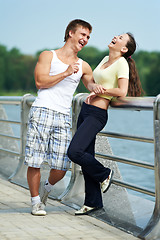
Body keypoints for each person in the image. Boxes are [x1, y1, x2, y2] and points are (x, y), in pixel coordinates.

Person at [24, 19, 102, 216]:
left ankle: (47, 189)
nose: (85, 39)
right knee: (35, 160)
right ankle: (35, 203)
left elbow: (90, 85)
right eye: (83, 35)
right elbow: (40, 82)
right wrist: (66, 73)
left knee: (62, 166)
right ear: (70, 33)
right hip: (42, 110)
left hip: (63, 116)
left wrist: (99, 89)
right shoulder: (48, 55)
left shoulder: (83, 65)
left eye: (88, 37)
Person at [67, 32, 143, 215]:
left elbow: (122, 91)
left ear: (124, 49)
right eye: (116, 35)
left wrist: (102, 91)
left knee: (74, 152)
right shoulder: (103, 59)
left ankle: (104, 174)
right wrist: (93, 88)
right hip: (85, 111)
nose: (115, 37)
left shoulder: (121, 63)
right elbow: (94, 82)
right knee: (86, 155)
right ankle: (92, 202)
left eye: (120, 37)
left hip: (97, 114)